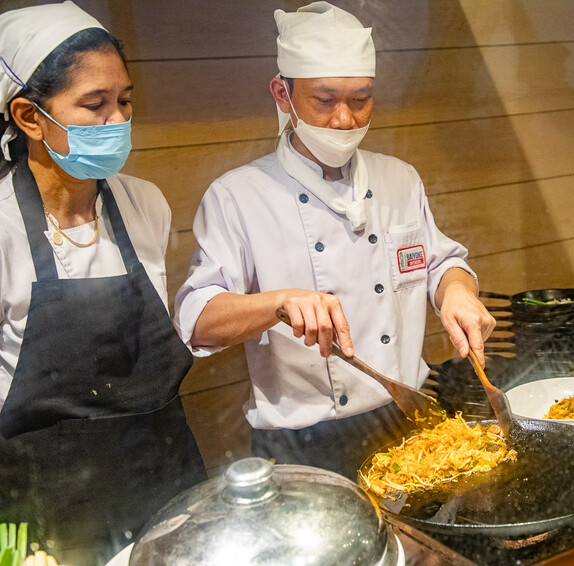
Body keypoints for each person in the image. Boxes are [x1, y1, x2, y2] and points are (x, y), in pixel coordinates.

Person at [174, 1, 496, 479]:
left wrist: (458, 293)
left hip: (410, 420)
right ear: (282, 94)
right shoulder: (238, 196)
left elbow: (437, 262)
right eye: (325, 100)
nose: (345, 119)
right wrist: (278, 303)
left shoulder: (399, 179)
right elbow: (197, 320)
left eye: (361, 98)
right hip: (306, 441)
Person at [0, 3, 206, 564]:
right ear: (29, 116)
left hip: (166, 484)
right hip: (43, 513)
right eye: (94, 105)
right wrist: (13, 549)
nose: (118, 121)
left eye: (125, 101)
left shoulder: (146, 204)